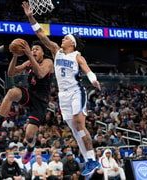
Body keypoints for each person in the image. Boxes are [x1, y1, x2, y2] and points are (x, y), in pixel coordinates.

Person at [22, 1, 101, 176]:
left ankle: (92, 158)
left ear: (72, 43)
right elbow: (42, 35)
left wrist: (93, 80)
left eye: (66, 38)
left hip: (76, 92)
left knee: (80, 124)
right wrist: (30, 17)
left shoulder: (76, 55)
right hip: (63, 95)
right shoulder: (56, 51)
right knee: (74, 129)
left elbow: (87, 69)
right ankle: (89, 160)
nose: (63, 38)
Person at [0, 39, 54, 163]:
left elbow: (41, 74)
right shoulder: (28, 63)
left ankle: (30, 149)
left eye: (37, 49)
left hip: (41, 102)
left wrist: (30, 55)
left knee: (29, 136)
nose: (33, 51)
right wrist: (15, 56)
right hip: (30, 94)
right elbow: (11, 73)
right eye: (32, 49)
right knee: (12, 92)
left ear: (43, 52)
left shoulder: (48, 62)